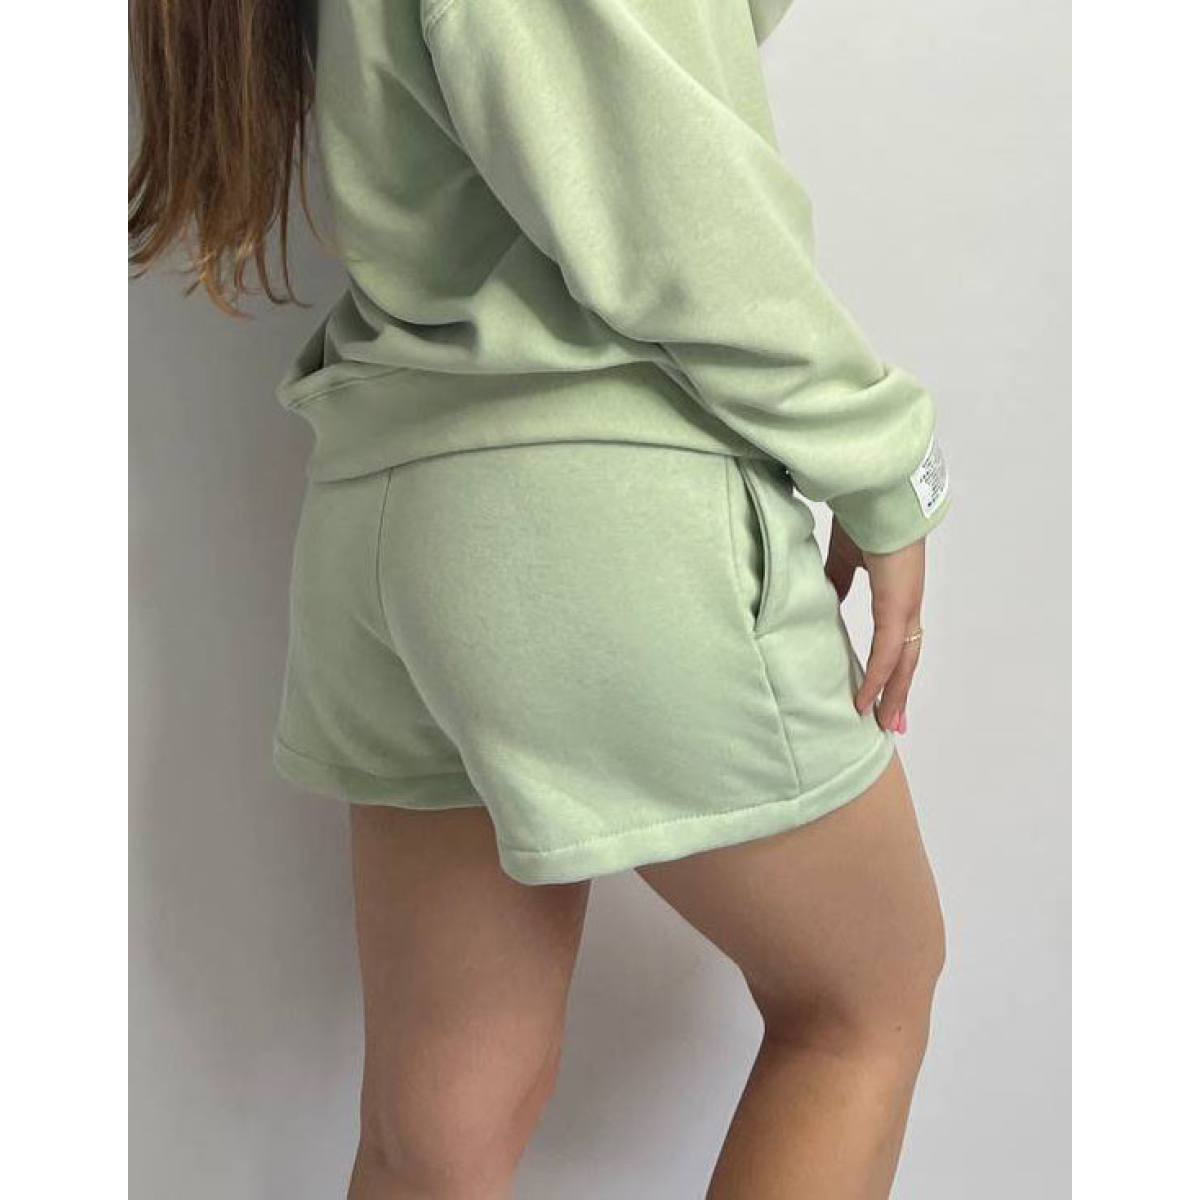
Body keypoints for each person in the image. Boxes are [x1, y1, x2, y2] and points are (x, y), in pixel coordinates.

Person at [130, 0, 951, 1195]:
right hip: (599, 508)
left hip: (393, 518)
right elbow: (679, 224)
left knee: (436, 1125)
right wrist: (886, 464)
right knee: (860, 1004)